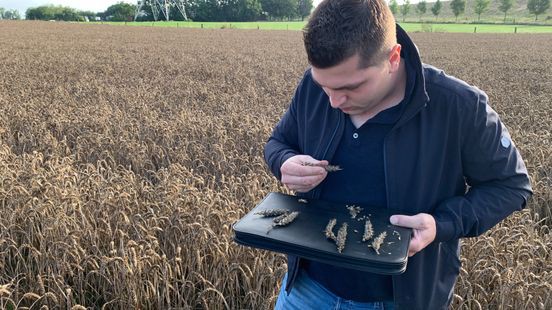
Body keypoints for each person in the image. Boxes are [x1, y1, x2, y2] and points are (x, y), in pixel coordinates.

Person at [263, 0, 533, 309]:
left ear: (393, 58)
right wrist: (284, 161)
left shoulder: (459, 106)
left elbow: (511, 187)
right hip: (305, 290)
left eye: (351, 87)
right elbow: (278, 141)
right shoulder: (315, 88)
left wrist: (441, 223)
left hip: (399, 298)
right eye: (324, 86)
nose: (334, 101)